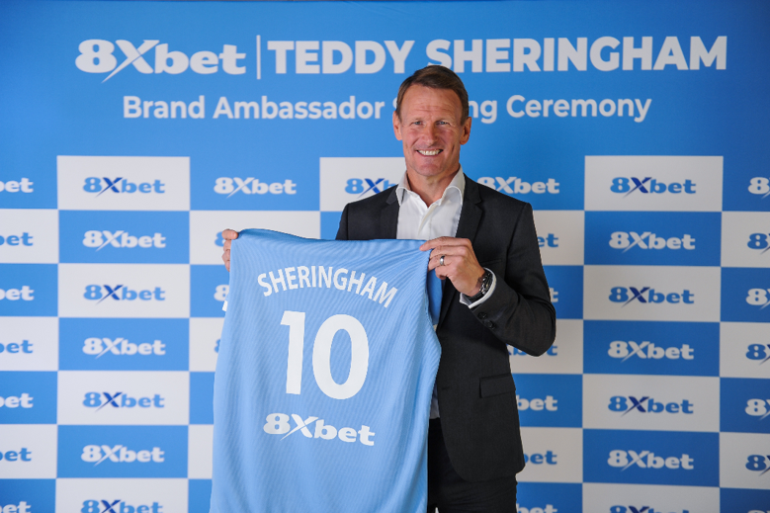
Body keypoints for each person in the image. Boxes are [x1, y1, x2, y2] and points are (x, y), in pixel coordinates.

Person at [222, 65, 555, 513]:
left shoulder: (508, 216)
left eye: (443, 122)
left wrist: (481, 284)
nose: (428, 135)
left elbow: (539, 334)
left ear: (465, 129)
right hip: (374, 441)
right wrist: (255, 268)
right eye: (416, 121)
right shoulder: (359, 218)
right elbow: (326, 316)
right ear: (397, 126)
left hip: (475, 446)